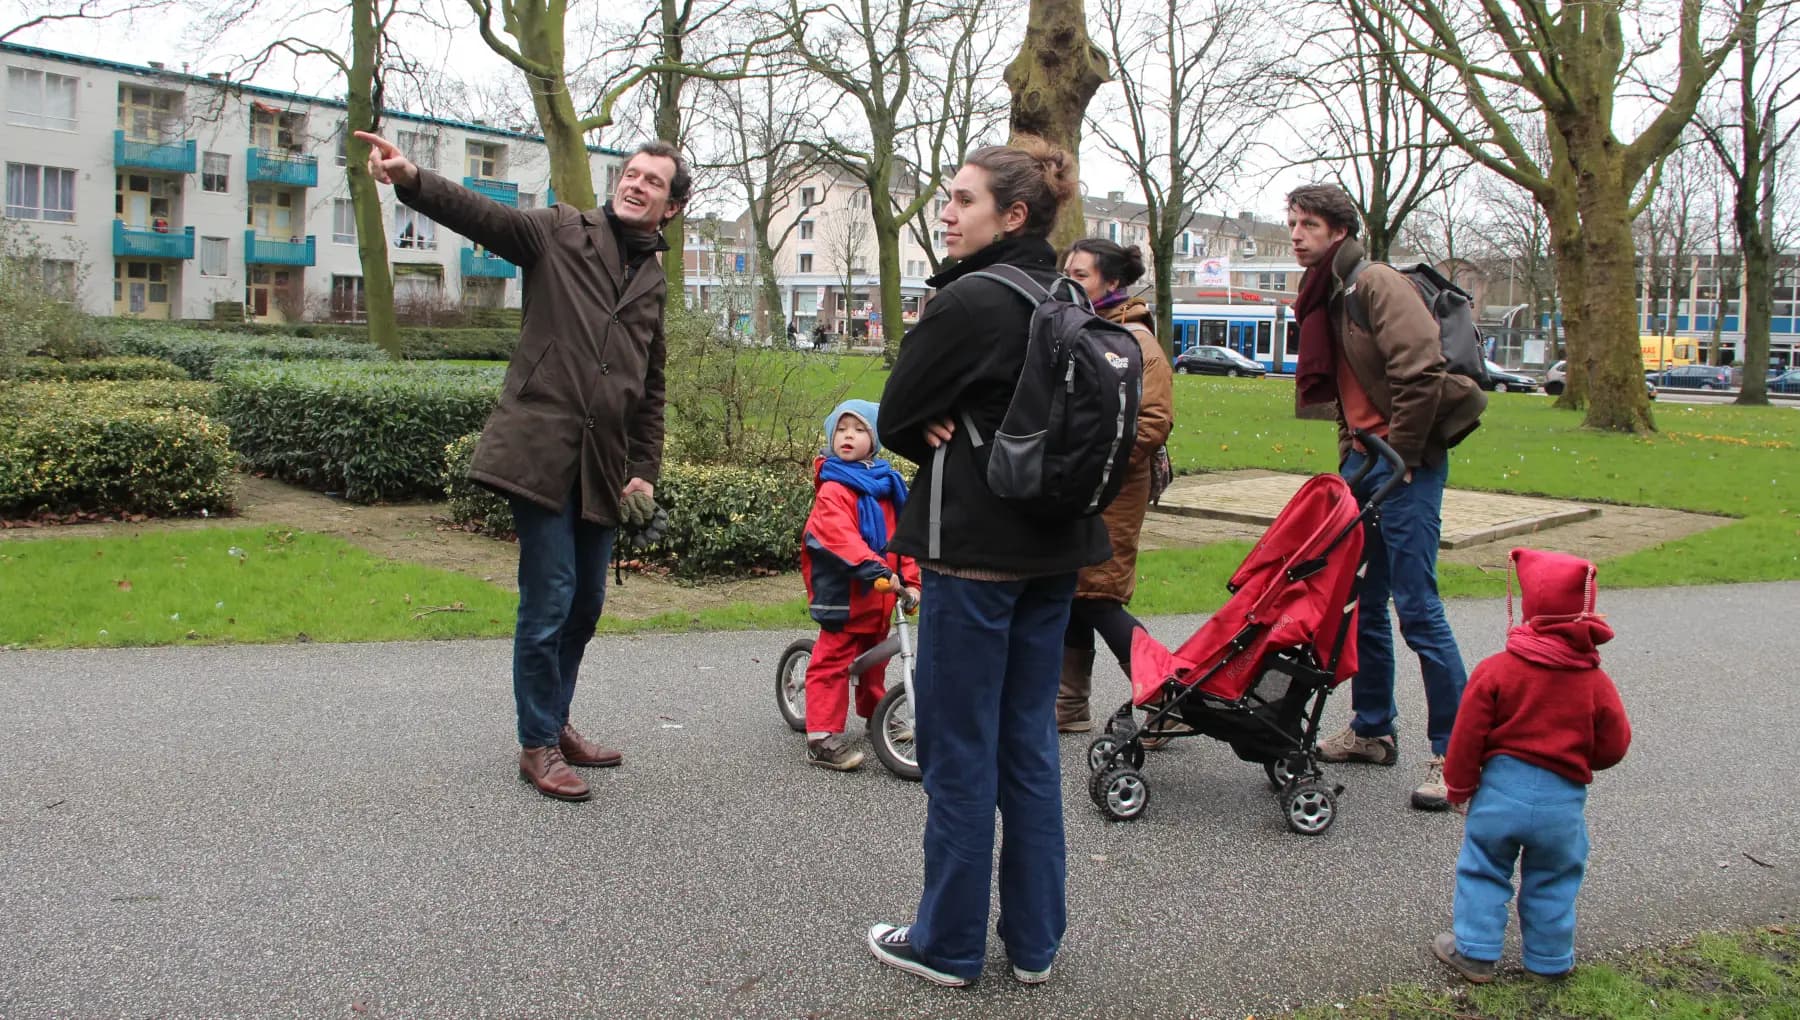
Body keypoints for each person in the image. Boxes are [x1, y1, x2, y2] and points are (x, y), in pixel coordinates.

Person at [355, 129, 688, 803]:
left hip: (603, 465)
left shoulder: (651, 279)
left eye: (654, 181)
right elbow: (486, 217)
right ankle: (536, 744)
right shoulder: (562, 231)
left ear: (671, 208)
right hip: (539, 451)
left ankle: (555, 720)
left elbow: (650, 387)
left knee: (587, 605)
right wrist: (411, 176)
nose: (636, 184)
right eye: (631, 173)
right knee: (551, 598)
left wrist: (644, 470)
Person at [868, 137, 1109, 988]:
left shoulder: (971, 300)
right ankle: (1036, 944)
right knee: (1027, 748)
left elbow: (895, 413)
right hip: (1055, 556)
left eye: (962, 200)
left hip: (975, 557)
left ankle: (948, 944)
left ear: (1012, 214)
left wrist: (933, 421)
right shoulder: (1068, 293)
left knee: (959, 750)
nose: (946, 211)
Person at [1286, 182, 1486, 811]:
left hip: (1409, 462)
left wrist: (1399, 455)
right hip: (1369, 459)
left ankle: (1455, 755)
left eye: (1308, 224)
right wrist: (1353, 447)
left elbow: (1420, 371)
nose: (1296, 234)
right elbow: (1349, 386)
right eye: (1292, 223)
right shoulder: (1325, 292)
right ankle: (1372, 729)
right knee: (1357, 600)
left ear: (1338, 231)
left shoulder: (1374, 284)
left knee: (1417, 607)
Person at [1432, 548, 1631, 983]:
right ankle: (1549, 960)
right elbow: (1615, 745)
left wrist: (1459, 786)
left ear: (1530, 605)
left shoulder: (1497, 671)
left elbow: (1466, 738)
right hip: (1562, 802)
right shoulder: (1594, 681)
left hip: (1501, 794)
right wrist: (1583, 756)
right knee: (1554, 878)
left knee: (1483, 867)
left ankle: (1477, 953)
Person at [1054, 238, 1174, 733]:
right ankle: (1070, 706)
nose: (1068, 280)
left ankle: (1165, 697)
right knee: (1076, 589)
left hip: (1114, 489)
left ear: (1111, 283)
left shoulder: (1135, 340)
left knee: (1101, 595)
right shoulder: (1086, 328)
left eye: (1080, 274)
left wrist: (1096, 463)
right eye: (1067, 271)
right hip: (1083, 487)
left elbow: (1153, 421)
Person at [799, 399, 920, 771]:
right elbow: (837, 536)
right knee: (833, 661)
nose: (848, 436)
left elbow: (902, 541)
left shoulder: (887, 486)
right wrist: (875, 568)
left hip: (880, 596)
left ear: (875, 440)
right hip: (844, 593)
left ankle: (875, 715)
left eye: (859, 429)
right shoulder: (834, 488)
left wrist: (912, 582)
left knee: (875, 662)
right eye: (841, 429)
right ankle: (820, 736)